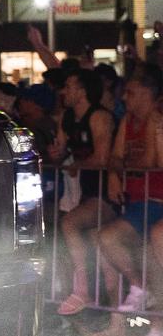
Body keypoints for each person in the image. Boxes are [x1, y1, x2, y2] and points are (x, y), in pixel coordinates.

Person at [95, 65, 163, 313]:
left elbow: (150, 162)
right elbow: (115, 156)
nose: (124, 97)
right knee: (105, 238)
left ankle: (155, 322)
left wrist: (122, 166)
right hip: (138, 203)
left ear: (147, 93)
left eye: (131, 92)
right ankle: (138, 287)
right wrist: (114, 173)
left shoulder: (157, 120)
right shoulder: (127, 121)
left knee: (148, 249)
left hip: (157, 201)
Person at [53, 68, 116, 315]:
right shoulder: (66, 117)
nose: (63, 91)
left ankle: (82, 291)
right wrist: (56, 155)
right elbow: (60, 151)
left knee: (69, 224)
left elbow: (101, 158)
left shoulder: (99, 117)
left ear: (82, 91)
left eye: (68, 86)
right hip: (85, 194)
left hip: (105, 194)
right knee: (105, 259)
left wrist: (76, 164)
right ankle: (114, 321)